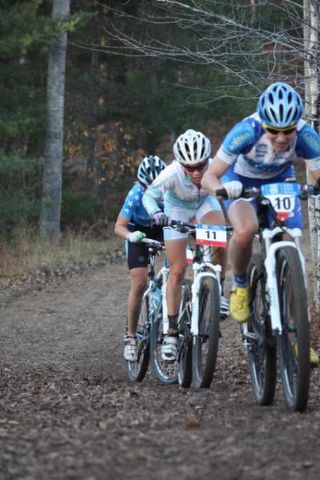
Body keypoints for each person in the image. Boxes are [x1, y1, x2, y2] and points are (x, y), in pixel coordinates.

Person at [201, 81, 320, 365]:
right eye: (273, 130)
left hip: (281, 183)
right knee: (245, 230)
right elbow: (209, 175)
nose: (281, 138)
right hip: (240, 182)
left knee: (293, 250)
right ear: (262, 123)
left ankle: (298, 337)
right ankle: (241, 285)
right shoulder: (245, 131)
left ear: (297, 126)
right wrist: (221, 189)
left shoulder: (307, 136)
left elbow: (317, 176)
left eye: (288, 131)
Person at [142, 129, 228, 361]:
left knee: (220, 239)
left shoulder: (216, 166)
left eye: (201, 166)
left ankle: (219, 289)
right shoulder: (171, 173)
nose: (197, 172)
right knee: (178, 269)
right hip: (176, 209)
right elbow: (148, 196)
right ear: (181, 166)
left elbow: (230, 187)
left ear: (207, 160)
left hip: (204, 203)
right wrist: (156, 213)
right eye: (190, 168)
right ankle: (171, 332)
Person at [114, 155, 166, 361]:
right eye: (147, 186)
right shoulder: (135, 194)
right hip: (137, 232)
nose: (151, 191)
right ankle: (131, 337)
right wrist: (129, 236)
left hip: (160, 228)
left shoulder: (170, 190)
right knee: (139, 282)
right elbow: (118, 226)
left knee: (177, 268)